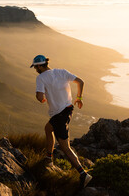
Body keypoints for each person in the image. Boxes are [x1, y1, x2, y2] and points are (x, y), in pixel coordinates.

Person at [30, 54, 92, 189]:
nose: (35, 69)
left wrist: (40, 98)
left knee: (65, 147)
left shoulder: (40, 78)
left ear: (40, 66)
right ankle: (49, 158)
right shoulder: (61, 72)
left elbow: (40, 97)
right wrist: (79, 98)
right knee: (48, 128)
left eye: (36, 67)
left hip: (59, 115)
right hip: (68, 110)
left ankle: (83, 174)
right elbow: (81, 82)